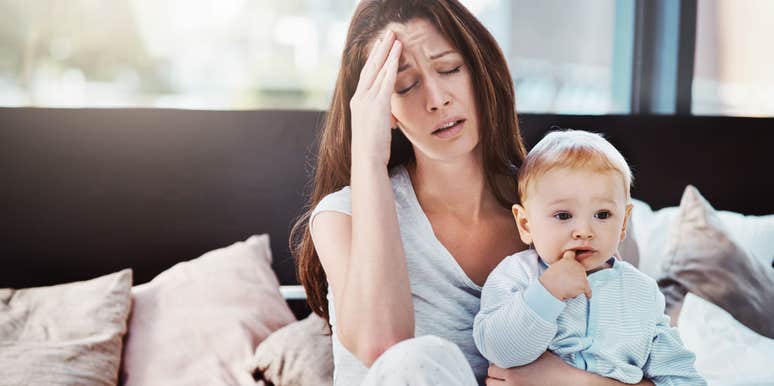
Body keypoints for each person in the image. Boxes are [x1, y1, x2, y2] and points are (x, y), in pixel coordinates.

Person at [291, 1, 656, 384]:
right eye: (405, 85)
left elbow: (657, 367)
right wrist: (367, 155)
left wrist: (570, 381)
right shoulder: (342, 216)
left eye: (449, 68)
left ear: (481, 70)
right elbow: (385, 348)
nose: (437, 99)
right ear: (386, 111)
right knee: (414, 359)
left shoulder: (576, 215)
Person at [473, 130, 705, 385]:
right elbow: (499, 352)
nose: (584, 231)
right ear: (526, 224)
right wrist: (546, 293)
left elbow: (683, 379)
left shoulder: (642, 293)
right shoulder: (517, 276)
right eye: (563, 215)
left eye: (603, 215)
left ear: (624, 222)